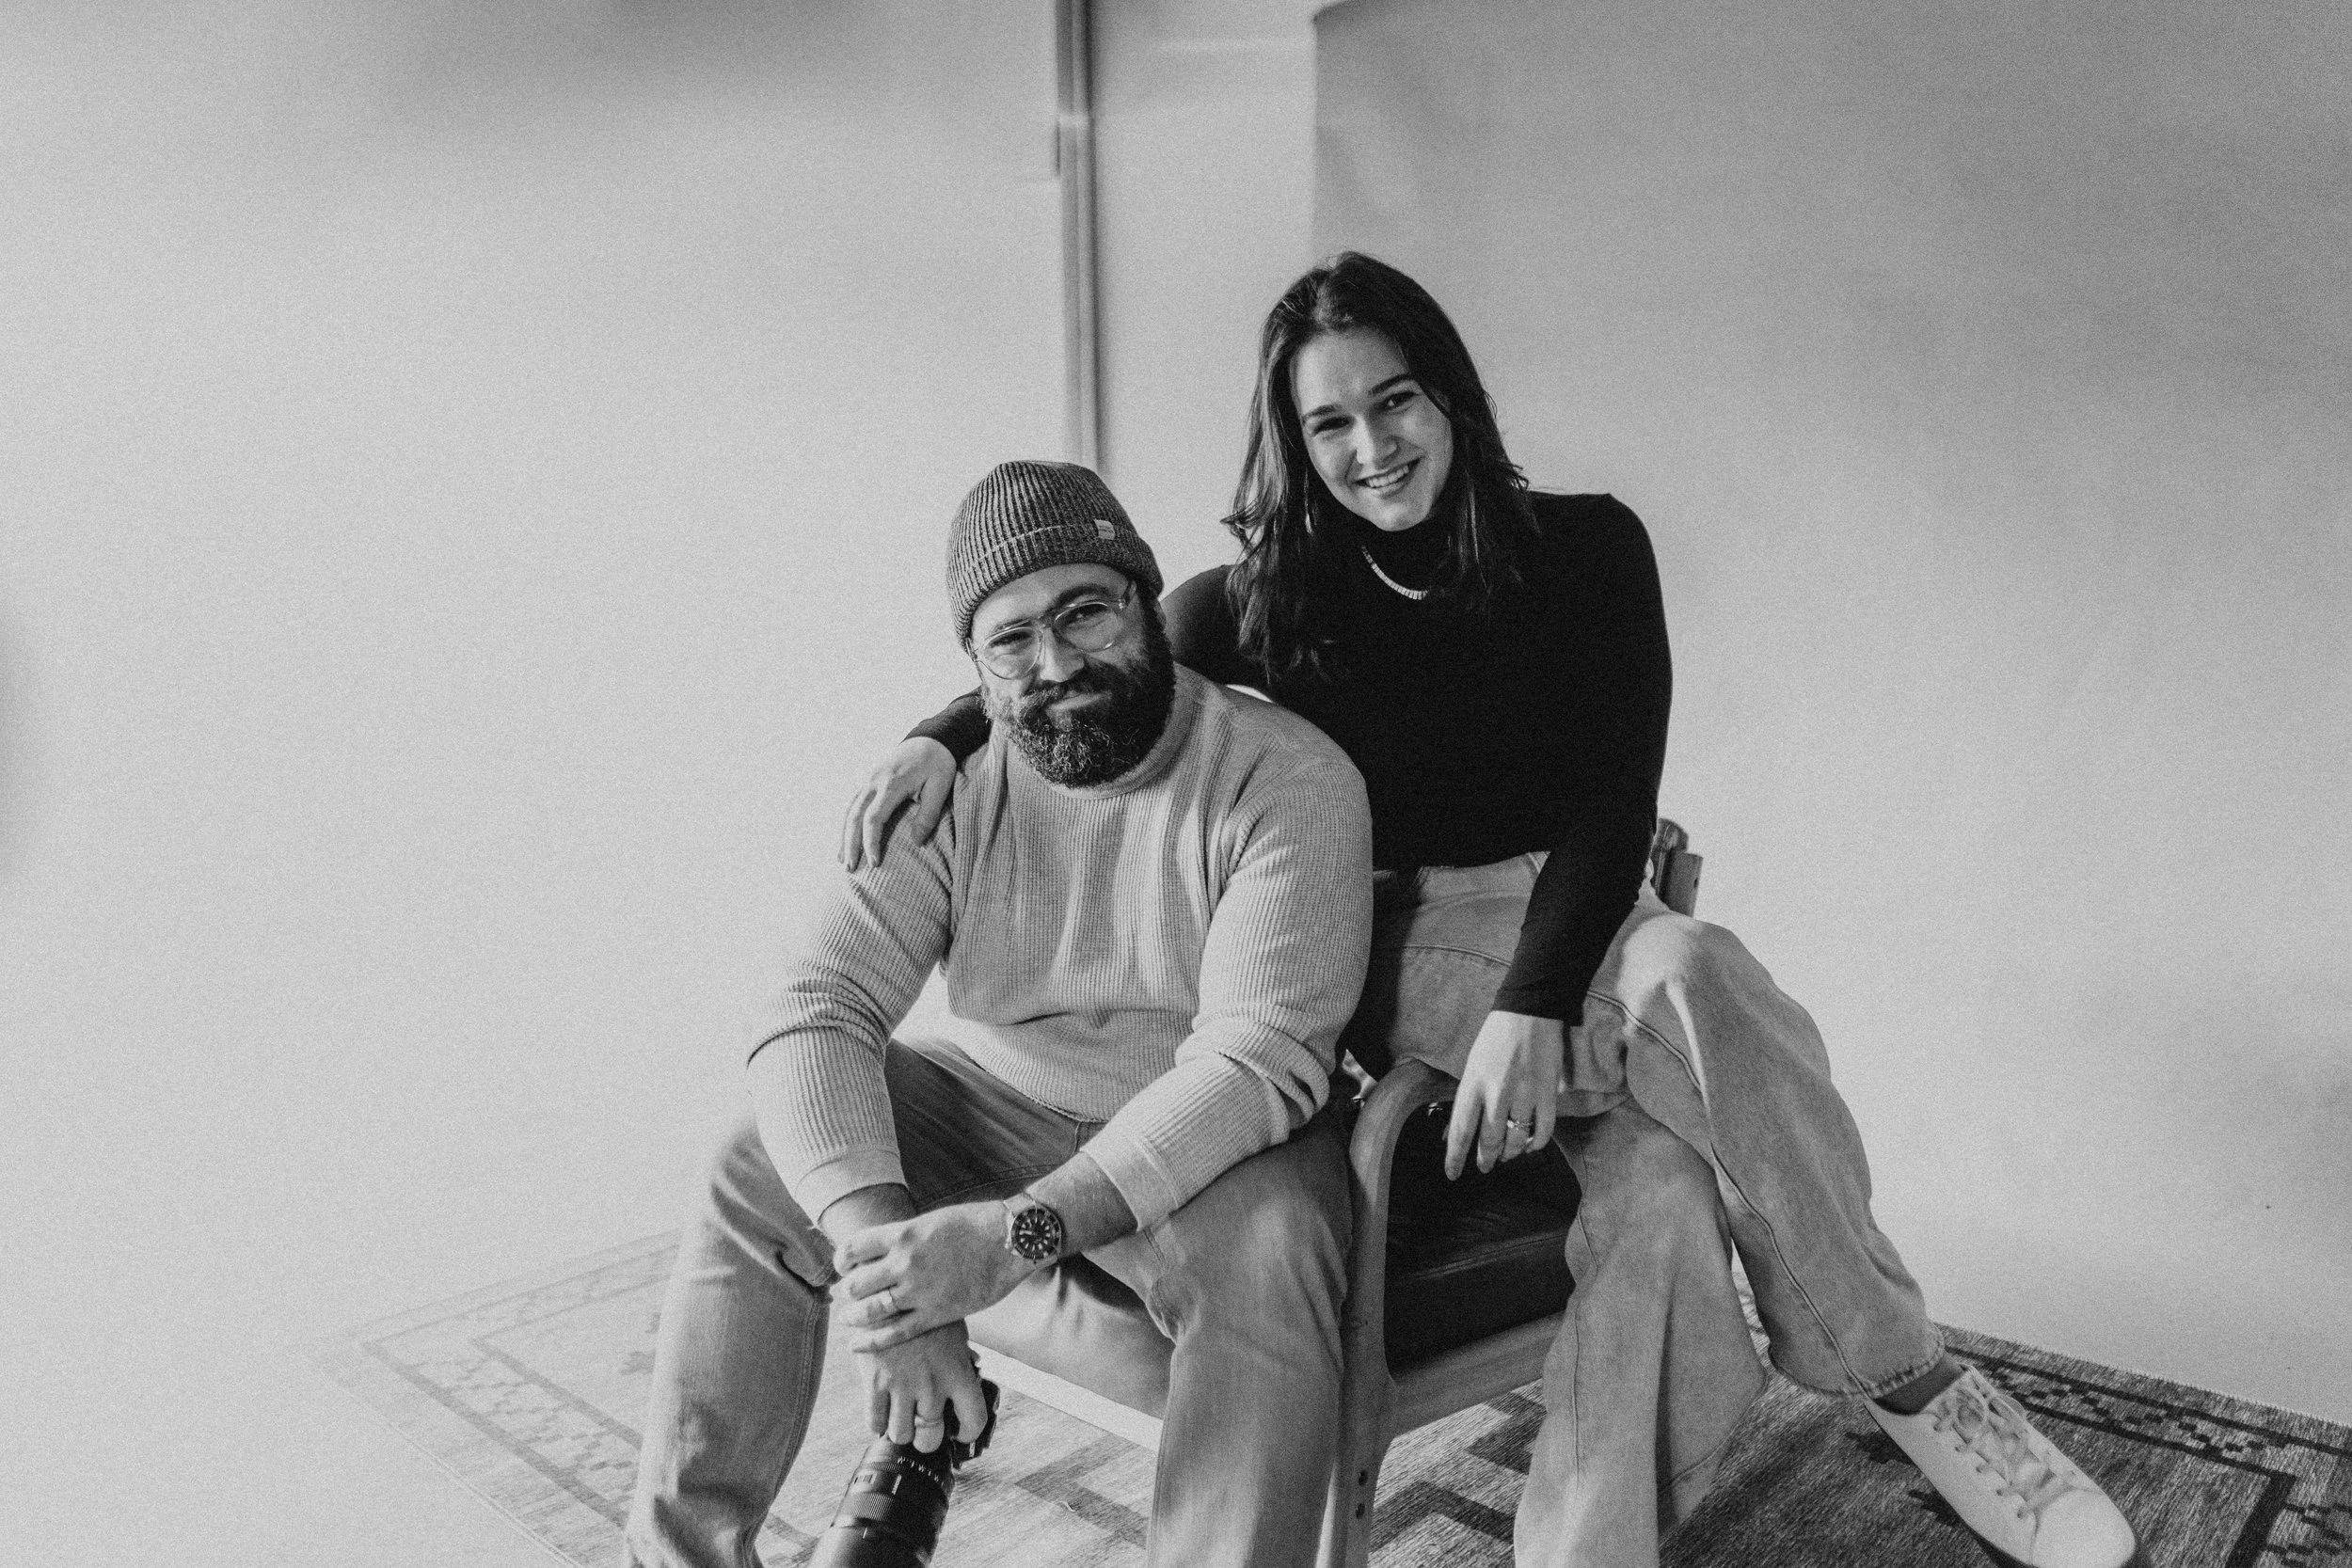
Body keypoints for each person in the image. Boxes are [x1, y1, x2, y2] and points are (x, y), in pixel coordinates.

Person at [841, 255, 2140, 1568]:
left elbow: (1614, 796)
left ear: (1450, 396)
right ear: (1295, 443)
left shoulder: (1588, 548)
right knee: (1685, 968)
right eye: (1328, 424)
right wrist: (938, 731)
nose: (1371, 445)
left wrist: (1535, 994)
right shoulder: (1256, 597)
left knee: (1668, 1184)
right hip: (1407, 943)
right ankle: (1907, 1371)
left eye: (1394, 401)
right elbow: (1089, 669)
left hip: (1582, 910)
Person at [625, 460, 1376, 1567]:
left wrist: (1019, 1230)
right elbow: (813, 1003)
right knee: (753, 1160)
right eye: (1012, 638)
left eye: (1086, 611)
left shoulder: (1286, 777)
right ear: (975, 669)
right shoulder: (944, 781)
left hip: (1216, 1133)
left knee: (1271, 1260)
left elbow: (1255, 1062)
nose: (1056, 663)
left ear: (1147, 606)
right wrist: (901, 1292)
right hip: (998, 1096)